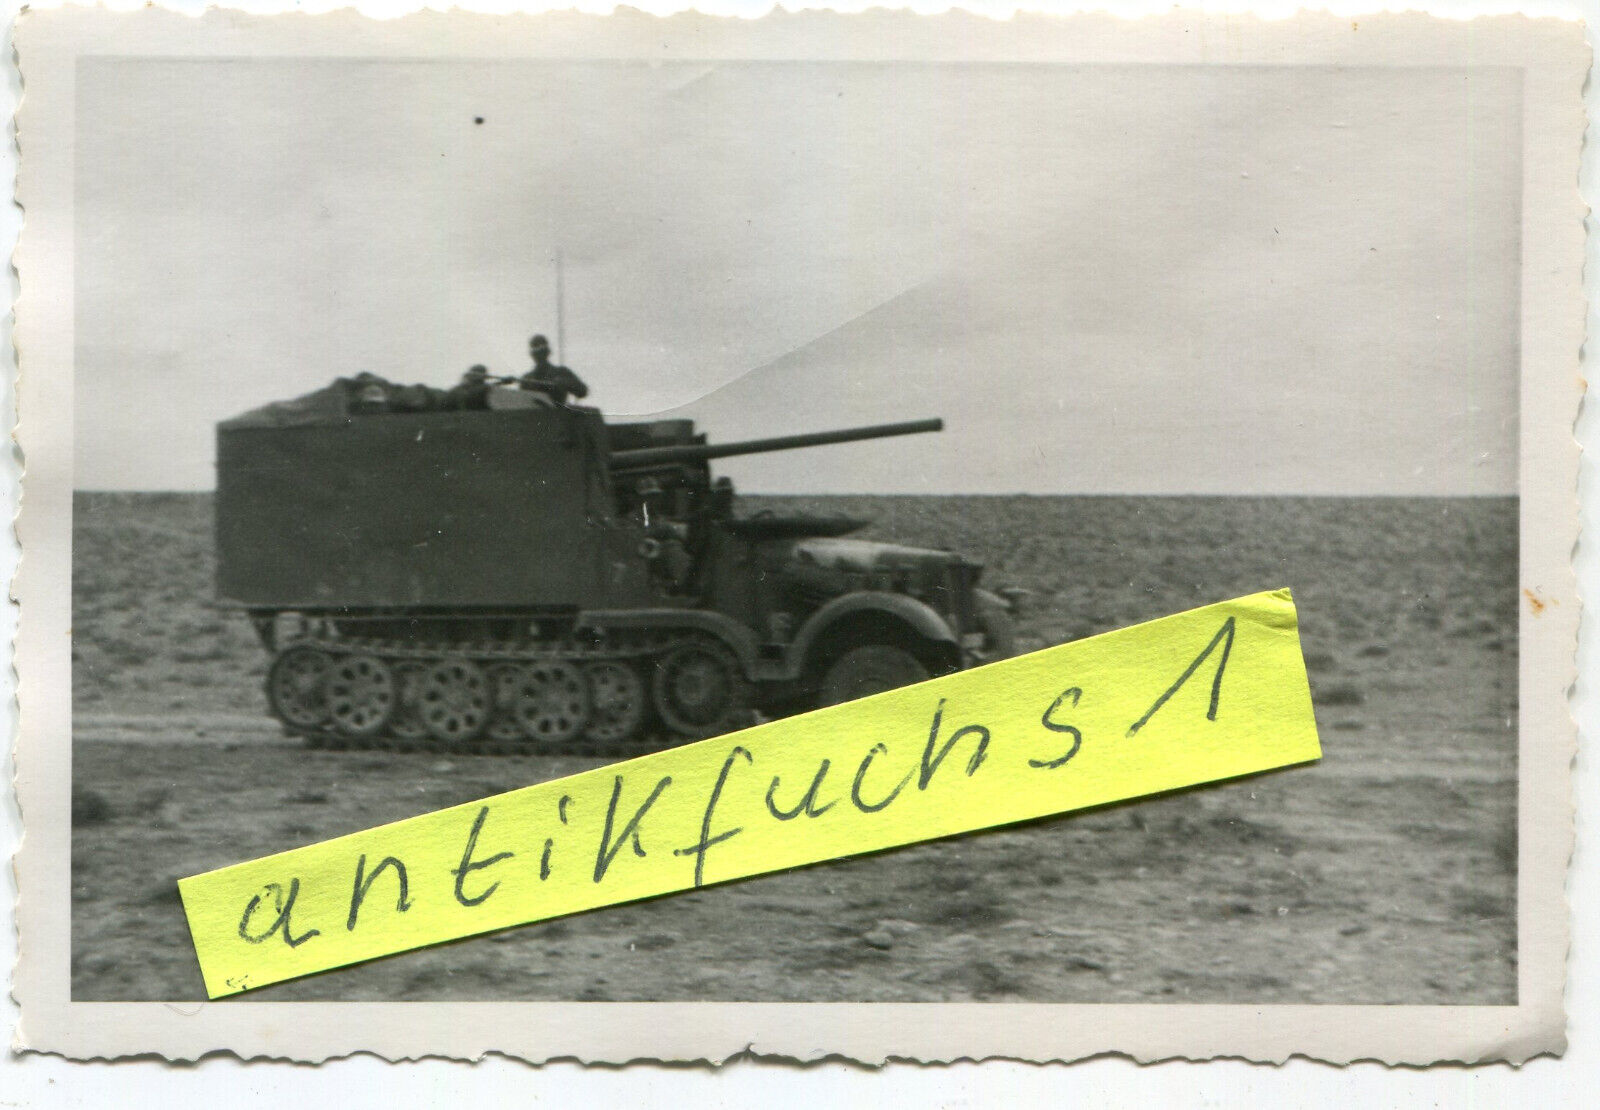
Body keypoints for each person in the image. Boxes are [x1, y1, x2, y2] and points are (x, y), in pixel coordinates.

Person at [518, 334, 589, 405]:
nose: (539, 355)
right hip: (533, 411)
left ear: (548, 352)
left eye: (542, 351)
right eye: (536, 351)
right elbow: (521, 402)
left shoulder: (561, 372)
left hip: (557, 411)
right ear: (532, 354)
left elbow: (583, 391)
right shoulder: (526, 379)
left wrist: (564, 382)